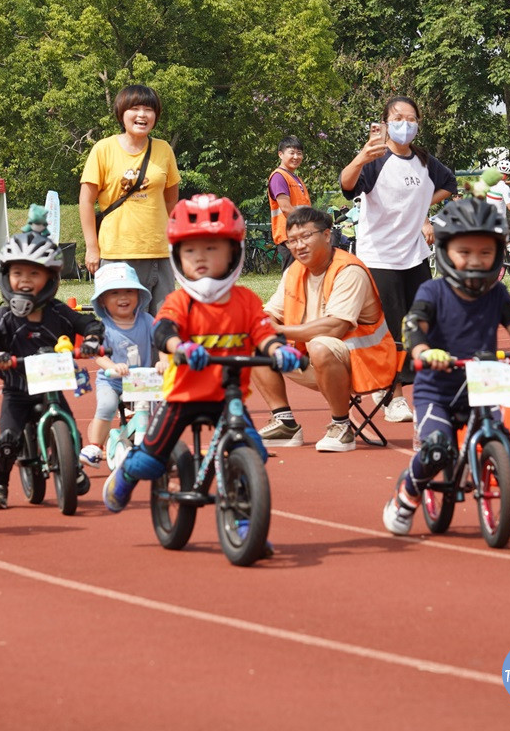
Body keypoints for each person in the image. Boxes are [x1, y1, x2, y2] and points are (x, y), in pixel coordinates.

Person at [101, 194, 303, 519]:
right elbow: (163, 330)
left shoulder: (246, 300)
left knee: (250, 450)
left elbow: (263, 333)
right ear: (177, 256)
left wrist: (280, 351)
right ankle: (125, 473)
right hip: (183, 395)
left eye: (212, 248)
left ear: (233, 252)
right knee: (151, 460)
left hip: (227, 395)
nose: (200, 257)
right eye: (191, 250)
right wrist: (180, 347)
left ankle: (243, 524)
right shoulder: (180, 301)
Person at [381, 199, 510, 536]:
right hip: (437, 389)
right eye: (465, 252)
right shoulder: (432, 290)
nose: (475, 260)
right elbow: (414, 325)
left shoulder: (497, 293)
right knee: (436, 449)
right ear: (445, 252)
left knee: (501, 435)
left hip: (481, 382)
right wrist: (425, 351)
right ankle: (406, 495)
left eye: (485, 253)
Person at [340, 96, 458, 423]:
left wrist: (421, 211)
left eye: (411, 118)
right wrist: (362, 156)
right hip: (380, 256)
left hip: (414, 255)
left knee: (421, 322)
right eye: (398, 118)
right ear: (386, 123)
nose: (405, 124)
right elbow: (346, 185)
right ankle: (394, 396)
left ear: (418, 124)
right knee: (393, 328)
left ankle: (414, 387)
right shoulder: (376, 160)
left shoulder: (423, 160)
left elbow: (449, 184)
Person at [0, 231, 105, 510]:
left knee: (70, 432)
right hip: (17, 391)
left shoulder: (57, 311)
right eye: (18, 273)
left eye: (34, 273)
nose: (25, 280)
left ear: (50, 278)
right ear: (6, 276)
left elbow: (88, 323)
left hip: (51, 388)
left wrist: (92, 340)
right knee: (9, 440)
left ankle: (70, 464)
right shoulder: (5, 314)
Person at [253, 206, 398, 453]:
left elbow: (336, 326)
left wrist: (279, 332)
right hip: (316, 358)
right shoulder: (294, 270)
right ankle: (284, 422)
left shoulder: (348, 269)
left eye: (306, 237)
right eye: (293, 241)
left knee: (320, 344)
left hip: (364, 365)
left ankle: (341, 426)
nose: (299, 246)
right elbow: (272, 312)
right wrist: (260, 325)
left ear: (328, 235)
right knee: (253, 338)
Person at [78, 84, 181, 312]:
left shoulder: (164, 150)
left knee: (163, 323)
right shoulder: (103, 149)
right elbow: (86, 201)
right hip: (117, 253)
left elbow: (171, 201)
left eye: (149, 109)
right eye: (135, 108)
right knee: (123, 324)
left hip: (159, 253)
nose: (142, 115)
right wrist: (92, 248)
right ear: (121, 113)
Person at [78, 262, 166, 469]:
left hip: (141, 380)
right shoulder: (102, 326)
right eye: (115, 293)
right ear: (103, 300)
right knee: (107, 406)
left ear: (138, 295)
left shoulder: (146, 319)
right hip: (113, 382)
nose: (123, 297)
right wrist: (112, 366)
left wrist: (164, 360)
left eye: (129, 291)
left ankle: (161, 448)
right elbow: (98, 354)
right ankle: (95, 446)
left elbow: (161, 341)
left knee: (161, 411)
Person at [266, 135, 311, 272]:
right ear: (280, 154)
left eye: (299, 153)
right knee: (291, 280)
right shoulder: (279, 177)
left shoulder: (296, 178)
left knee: (302, 278)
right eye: (292, 153)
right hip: (290, 236)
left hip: (299, 234)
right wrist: (308, 225)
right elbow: (285, 208)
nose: (296, 157)